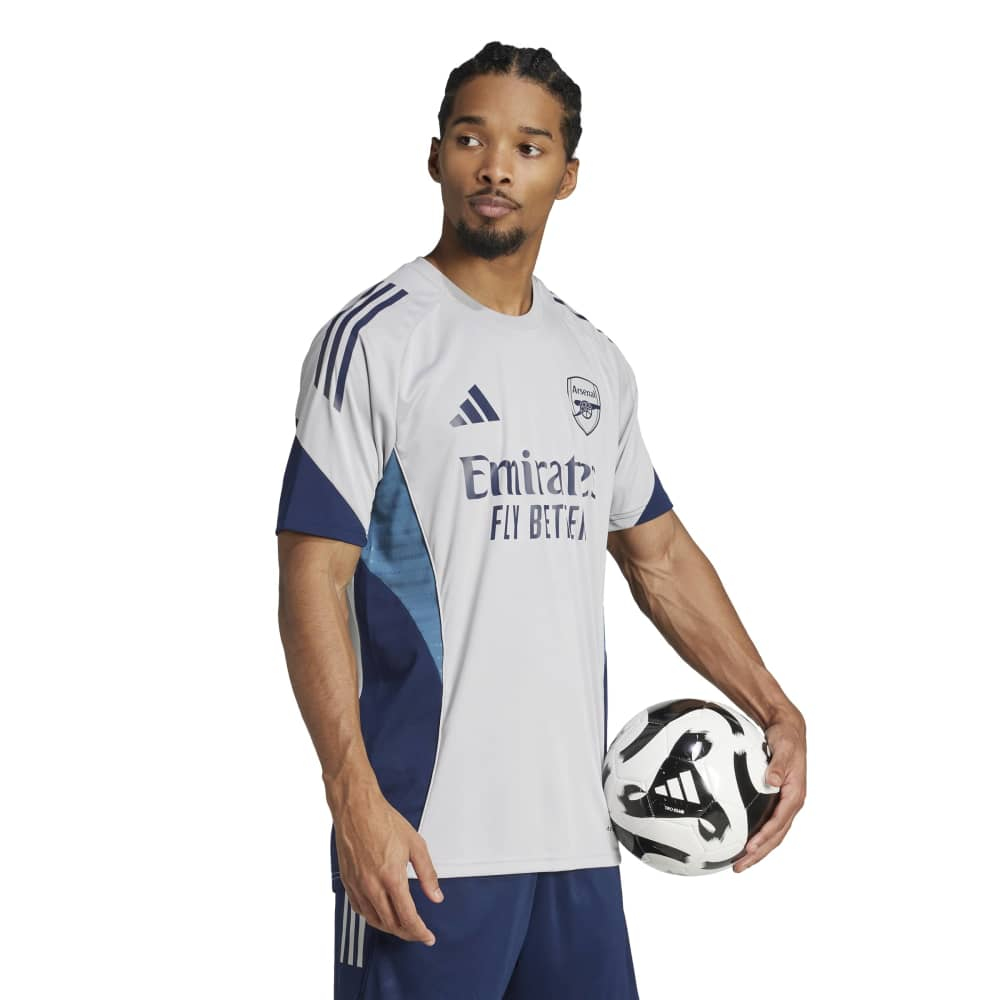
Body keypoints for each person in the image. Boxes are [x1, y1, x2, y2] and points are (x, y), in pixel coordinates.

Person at [275, 40, 807, 1000]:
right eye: (471, 138)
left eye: (528, 147)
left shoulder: (594, 362)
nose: (495, 168)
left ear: (567, 175)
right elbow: (313, 572)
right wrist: (351, 796)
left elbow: (658, 556)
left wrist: (773, 706)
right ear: (434, 155)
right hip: (422, 843)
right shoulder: (376, 342)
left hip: (580, 845)